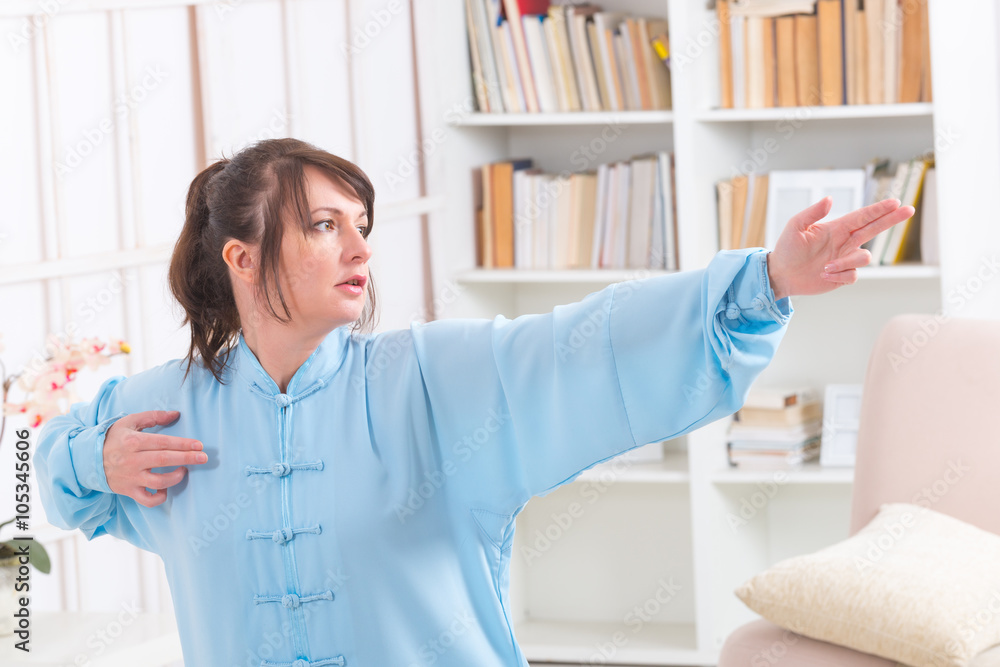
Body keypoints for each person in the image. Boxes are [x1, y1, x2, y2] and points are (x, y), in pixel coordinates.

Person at [35, 137, 913, 667]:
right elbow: (38, 472)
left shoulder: (427, 380)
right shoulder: (165, 409)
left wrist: (763, 282)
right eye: (325, 225)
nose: (360, 249)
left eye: (362, 227)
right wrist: (90, 456)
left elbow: (583, 345)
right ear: (241, 256)